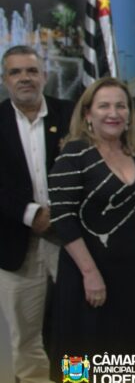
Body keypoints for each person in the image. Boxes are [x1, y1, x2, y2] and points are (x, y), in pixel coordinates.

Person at [48, 78, 135, 362]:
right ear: (88, 114)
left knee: (124, 359)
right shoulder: (74, 154)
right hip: (85, 273)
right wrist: (90, 274)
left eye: (120, 106)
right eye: (104, 106)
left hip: (128, 271)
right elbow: (63, 218)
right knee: (81, 360)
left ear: (129, 114)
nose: (113, 113)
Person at [0, 45, 72, 383]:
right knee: (26, 337)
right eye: (15, 72)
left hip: (70, 242)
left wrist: (59, 215)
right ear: (4, 80)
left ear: (44, 75)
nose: (24, 78)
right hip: (17, 245)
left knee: (76, 330)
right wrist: (31, 214)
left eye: (31, 70)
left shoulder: (70, 115)